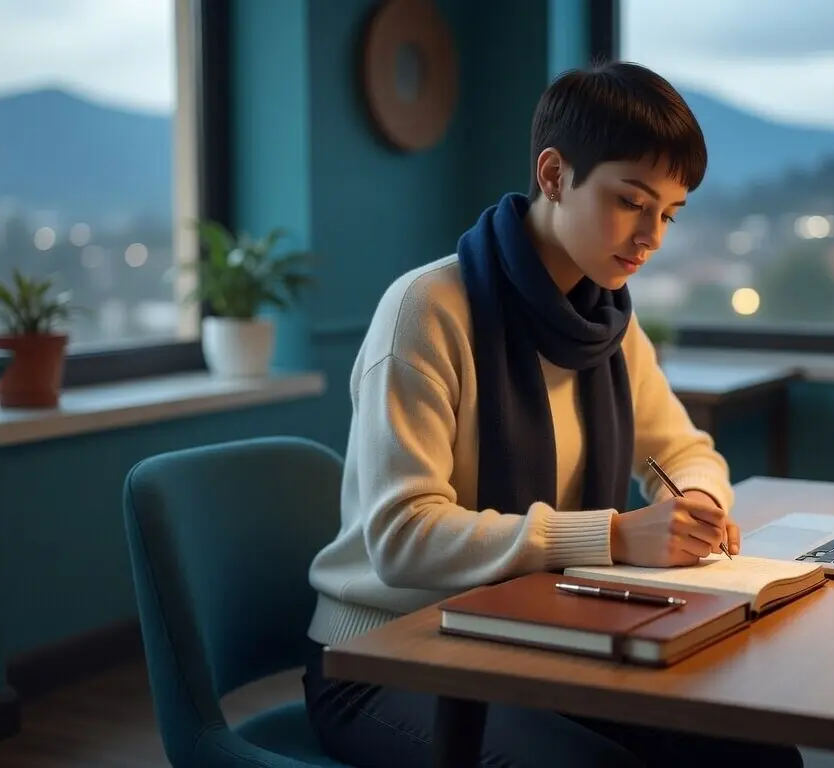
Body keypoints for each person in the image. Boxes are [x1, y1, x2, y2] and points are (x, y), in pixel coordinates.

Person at [300, 60, 804, 768]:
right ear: (554, 174)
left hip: (536, 635)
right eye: (631, 200)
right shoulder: (427, 310)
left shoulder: (608, 324)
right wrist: (615, 537)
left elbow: (684, 449)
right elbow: (401, 536)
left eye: (669, 212)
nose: (652, 234)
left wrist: (694, 501)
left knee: (757, 757)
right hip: (388, 653)